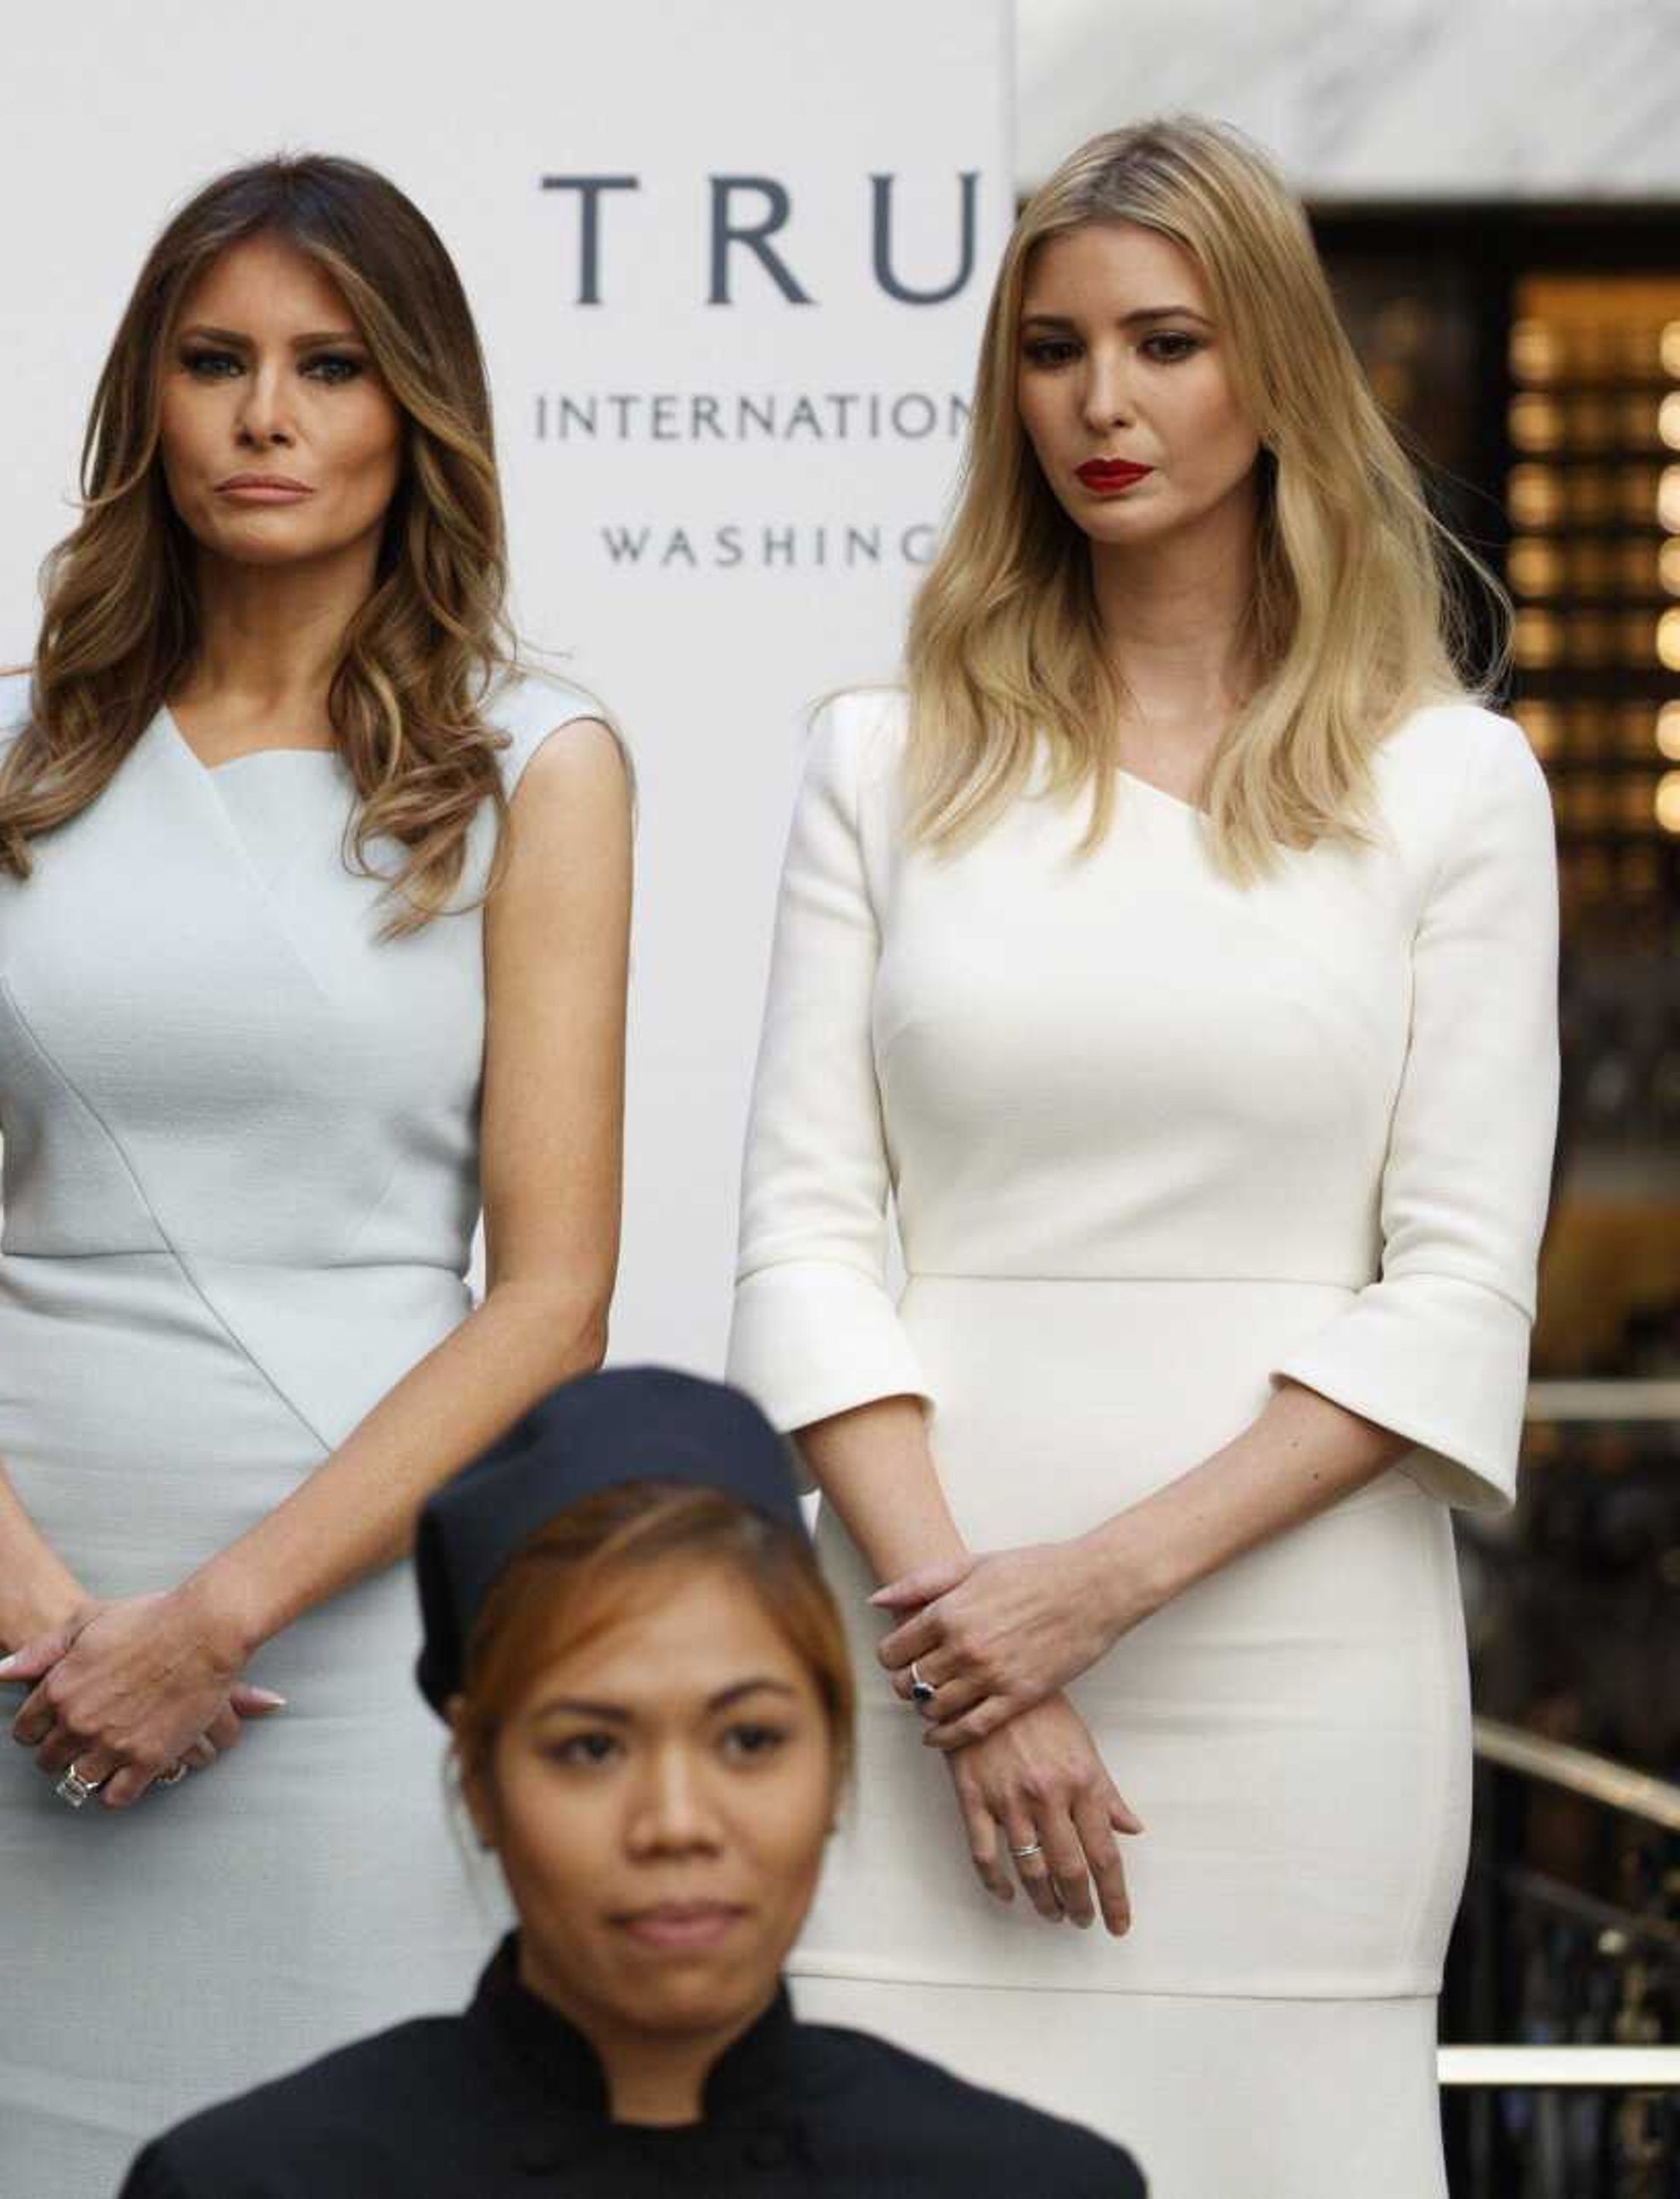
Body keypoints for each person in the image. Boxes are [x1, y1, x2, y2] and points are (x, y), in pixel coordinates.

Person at [726, 116, 1556, 2195]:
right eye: (1051, 348)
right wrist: (968, 1644)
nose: (1101, 401)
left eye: (1165, 341)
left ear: (1269, 367)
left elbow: (1451, 1286)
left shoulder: (1451, 786)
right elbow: (804, 1237)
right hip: (918, 1650)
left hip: (1295, 1685)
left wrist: (1081, 1594)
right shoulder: (881, 758)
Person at [0, 154, 632, 2196]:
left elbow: (551, 1297)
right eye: (215, 361)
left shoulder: (538, 760)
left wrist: (213, 1618)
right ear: (150, 401)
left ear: (410, 410)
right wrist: (36, 1607)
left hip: (349, 1644)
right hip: (18, 1656)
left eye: (328, 366)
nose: (265, 413)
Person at [123, 1367, 1144, 2196]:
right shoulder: (247, 2182)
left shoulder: (1036, 2183)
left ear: (834, 1760)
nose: (675, 1824)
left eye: (747, 1739)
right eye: (591, 1748)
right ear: (478, 1775)